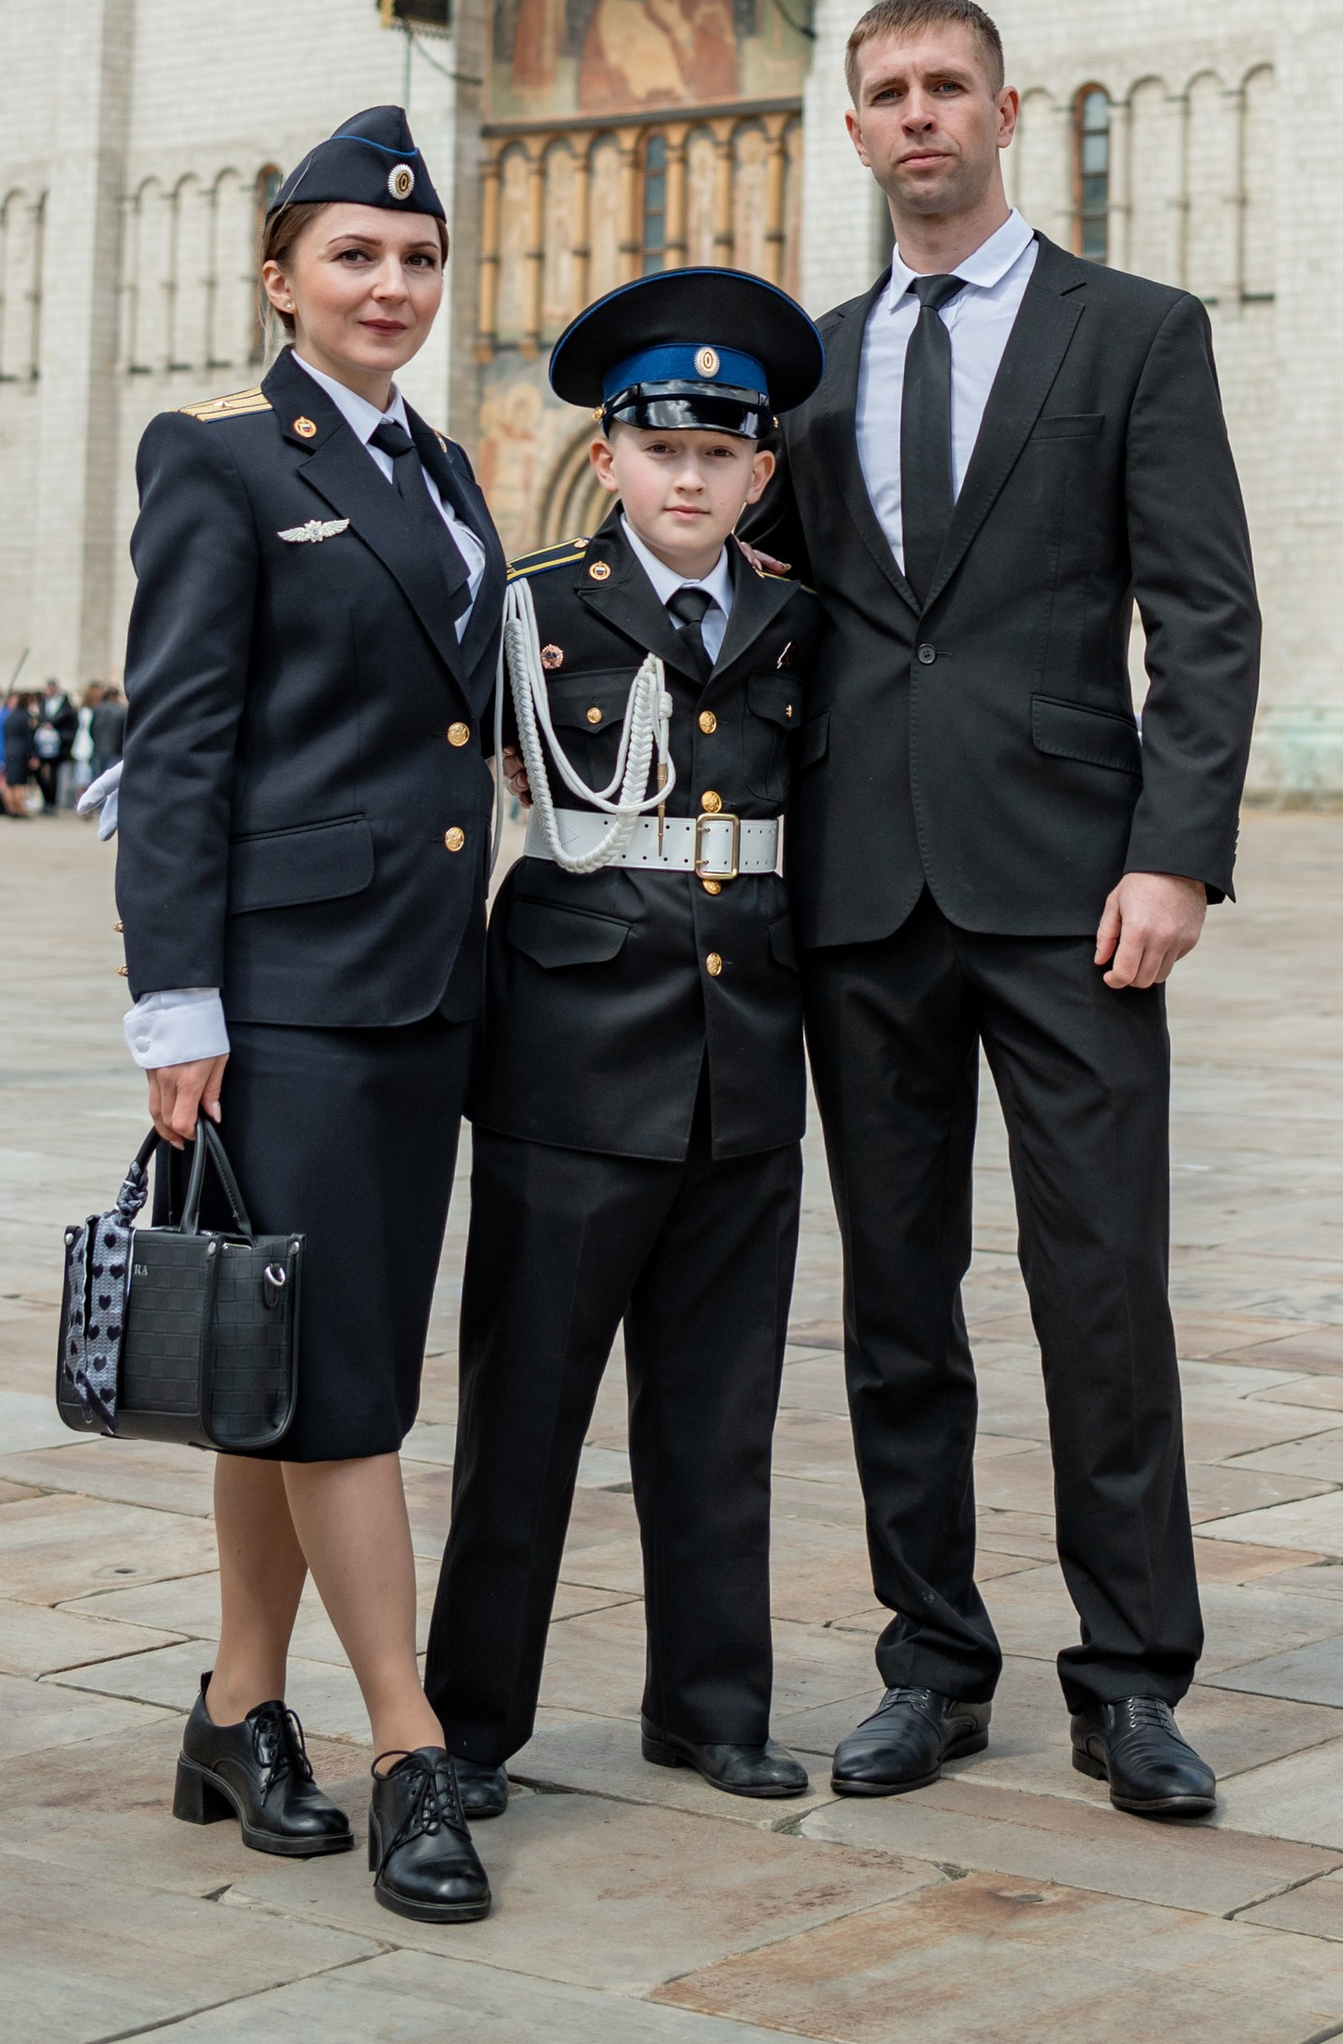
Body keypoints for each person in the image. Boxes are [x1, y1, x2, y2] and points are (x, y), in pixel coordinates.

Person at [760, 0, 1260, 1823]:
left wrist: (1175, 851)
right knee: (899, 1299)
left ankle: (1131, 1677)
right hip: (862, 894)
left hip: (1073, 893)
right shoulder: (803, 367)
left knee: (1099, 1288)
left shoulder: (1130, 332)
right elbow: (782, 616)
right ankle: (932, 1657)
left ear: (1005, 109)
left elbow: (1205, 611)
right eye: (883, 93)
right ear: (854, 126)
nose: (916, 117)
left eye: (944, 86)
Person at [115, 104, 506, 1929]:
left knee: (286, 1370)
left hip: (423, 992)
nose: (391, 283)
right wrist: (174, 999)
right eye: (355, 254)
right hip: (285, 998)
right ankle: (409, 1746)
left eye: (417, 257)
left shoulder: (444, 467)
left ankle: (235, 1707)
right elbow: (178, 742)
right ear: (280, 276)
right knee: (346, 1389)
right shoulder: (218, 460)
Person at [424, 265, 826, 1810]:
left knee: (719, 1417)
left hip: (744, 1069)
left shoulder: (799, 621)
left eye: (721, 454)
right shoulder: (528, 608)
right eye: (662, 449)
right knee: (523, 1415)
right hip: (568, 1069)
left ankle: (710, 1702)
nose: (689, 477)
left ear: (759, 472)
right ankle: (469, 1721)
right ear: (609, 458)